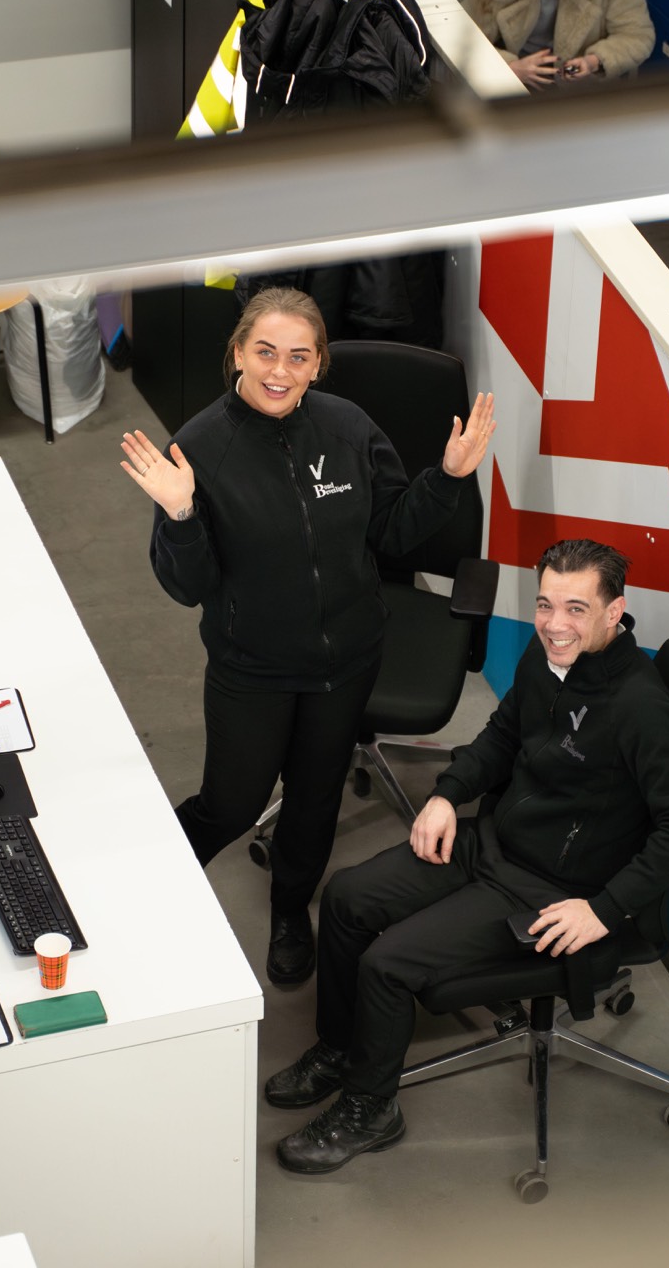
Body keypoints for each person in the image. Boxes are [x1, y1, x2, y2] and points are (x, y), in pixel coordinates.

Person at [263, 538, 669, 1174]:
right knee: (346, 898)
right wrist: (447, 795)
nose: (555, 624)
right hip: (495, 841)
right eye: (545, 604)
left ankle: (371, 1108)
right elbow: (504, 734)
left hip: (550, 889)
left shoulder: (640, 709)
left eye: (577, 609)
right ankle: (341, 1048)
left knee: (388, 964)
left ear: (615, 612)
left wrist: (604, 909)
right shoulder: (548, 655)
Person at [119, 288, 495, 987]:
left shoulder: (348, 427)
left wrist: (446, 480)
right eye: (265, 352)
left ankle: (291, 910)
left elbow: (391, 533)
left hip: (346, 662)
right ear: (237, 353)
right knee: (231, 805)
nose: (279, 371)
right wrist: (180, 514)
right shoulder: (198, 447)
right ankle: (150, 884)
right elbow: (187, 587)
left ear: (319, 364)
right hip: (252, 668)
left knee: (315, 800)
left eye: (298, 356)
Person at [465, 0, 656, 93]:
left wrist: (593, 61)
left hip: (579, 90)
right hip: (512, 79)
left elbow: (638, 36)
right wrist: (508, 67)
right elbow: (463, 31)